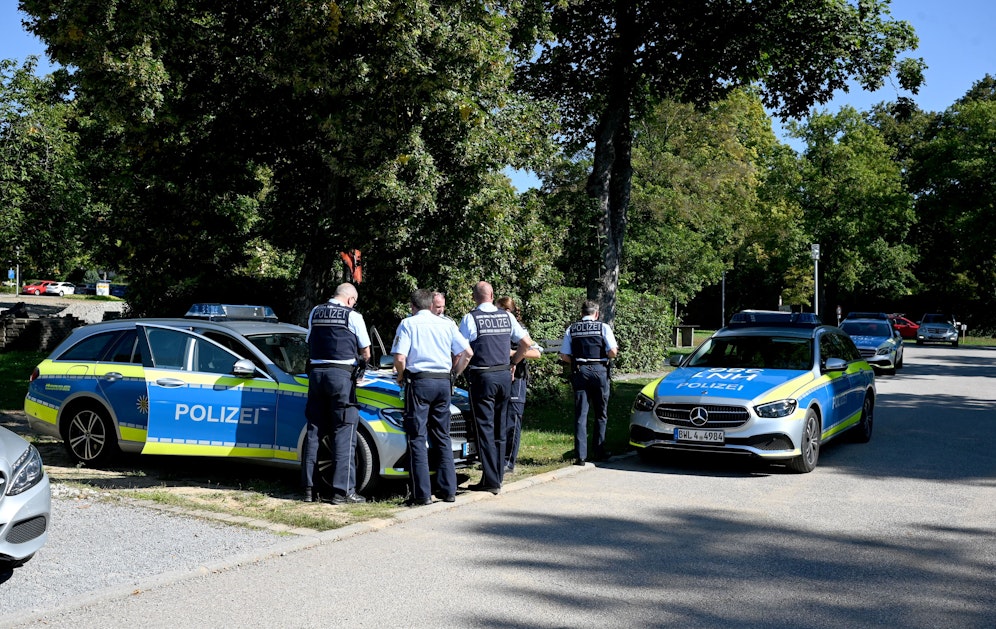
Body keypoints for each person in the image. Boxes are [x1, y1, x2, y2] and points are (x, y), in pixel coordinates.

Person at [391, 289, 473, 505]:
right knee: (442, 435)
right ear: (430, 305)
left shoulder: (408, 324)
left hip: (419, 382)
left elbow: (400, 357)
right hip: (443, 382)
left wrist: (401, 375)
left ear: (412, 306)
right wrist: (454, 375)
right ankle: (449, 490)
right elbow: (467, 352)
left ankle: (422, 494)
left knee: (417, 437)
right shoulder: (447, 324)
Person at [459, 281, 535, 493]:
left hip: (483, 376)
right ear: (492, 295)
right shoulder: (507, 316)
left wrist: (456, 371)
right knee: (501, 428)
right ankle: (497, 476)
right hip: (504, 376)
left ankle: (491, 481)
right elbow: (526, 343)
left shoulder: (471, 318)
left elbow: (462, 349)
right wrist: (513, 362)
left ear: (474, 297)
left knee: (485, 428)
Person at [301, 282, 372, 505]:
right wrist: (361, 367)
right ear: (350, 300)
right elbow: (366, 352)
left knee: (314, 430)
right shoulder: (353, 316)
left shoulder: (316, 311)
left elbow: (309, 341)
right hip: (341, 377)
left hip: (316, 376)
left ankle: (310, 490)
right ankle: (342, 492)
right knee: (344, 431)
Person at [559, 299, 619, 465]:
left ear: (581, 313)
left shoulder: (572, 328)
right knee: (601, 413)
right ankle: (599, 451)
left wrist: (577, 362)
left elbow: (564, 356)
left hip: (580, 371)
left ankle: (581, 456)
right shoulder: (603, 327)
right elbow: (613, 352)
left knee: (581, 414)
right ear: (596, 313)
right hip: (599, 370)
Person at [495, 296, 541, 473]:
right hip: (500, 378)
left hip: (517, 378)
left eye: (500, 310)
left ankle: (508, 461)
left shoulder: (520, 329)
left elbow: (536, 353)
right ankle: (497, 458)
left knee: (513, 420)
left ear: (508, 311)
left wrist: (512, 354)